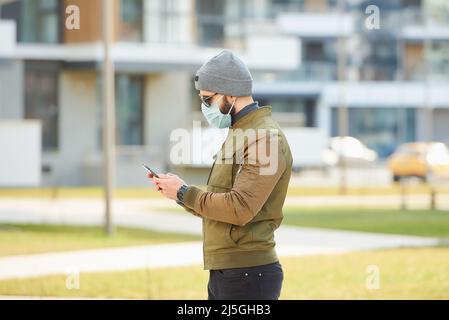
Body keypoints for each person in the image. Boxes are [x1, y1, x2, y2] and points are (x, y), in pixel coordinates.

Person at [148, 50, 293, 300]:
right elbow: (220, 203)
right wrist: (179, 193)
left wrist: (185, 193)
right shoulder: (240, 132)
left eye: (207, 100)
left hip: (248, 274)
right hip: (228, 271)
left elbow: (240, 208)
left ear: (230, 94)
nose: (204, 107)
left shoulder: (264, 138)